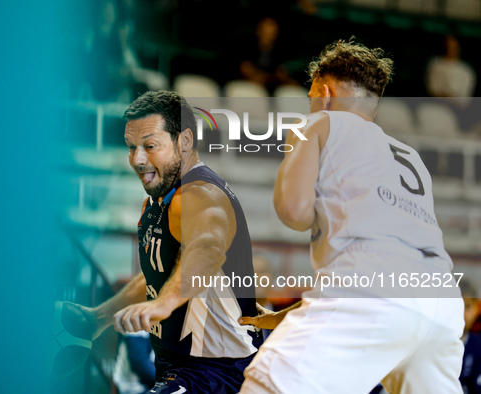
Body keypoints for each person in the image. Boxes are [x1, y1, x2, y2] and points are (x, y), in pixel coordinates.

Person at [238, 38, 464, 393]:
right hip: (441, 302)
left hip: (374, 293)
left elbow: (294, 212)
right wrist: (292, 313)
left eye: (311, 97)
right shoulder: (410, 156)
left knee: (265, 385)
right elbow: (393, 261)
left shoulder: (317, 123)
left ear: (324, 94)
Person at [62, 90, 263, 393]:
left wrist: (164, 304)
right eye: (131, 147)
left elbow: (205, 252)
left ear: (184, 141)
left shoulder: (199, 195)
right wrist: (98, 318)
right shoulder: (155, 203)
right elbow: (159, 277)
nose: (138, 159)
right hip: (177, 367)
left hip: (219, 372)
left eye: (150, 146)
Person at [460, 279, 481, 393]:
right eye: (458, 305)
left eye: (467, 306)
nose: (462, 313)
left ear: (477, 308)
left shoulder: (478, 346)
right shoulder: (431, 342)